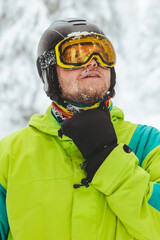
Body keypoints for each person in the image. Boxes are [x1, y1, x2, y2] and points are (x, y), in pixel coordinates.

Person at [0, 18, 160, 240]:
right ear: (49, 71)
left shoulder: (148, 143)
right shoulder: (9, 154)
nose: (93, 62)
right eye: (76, 55)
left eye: (102, 53)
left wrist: (109, 159)